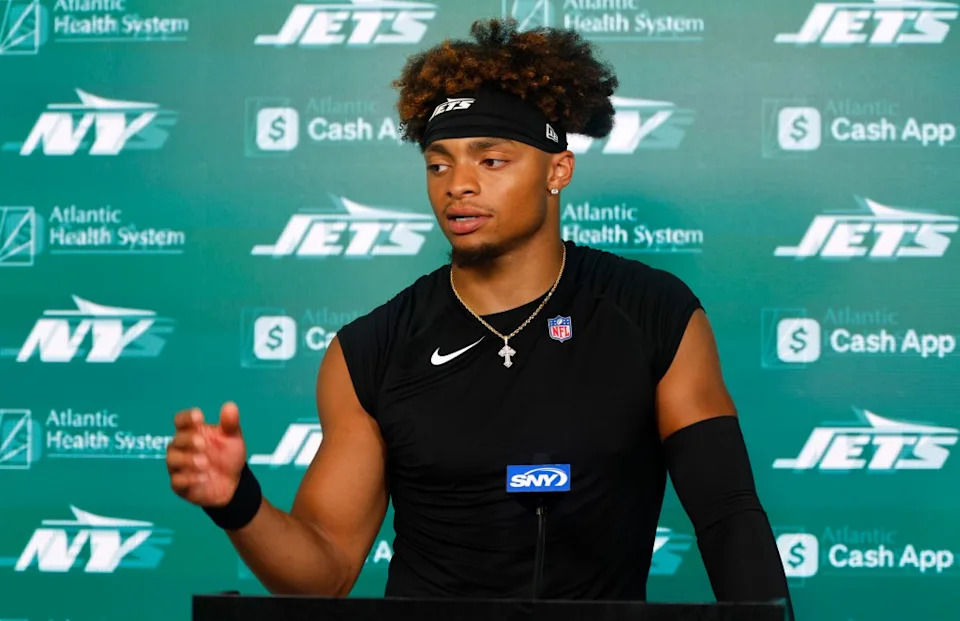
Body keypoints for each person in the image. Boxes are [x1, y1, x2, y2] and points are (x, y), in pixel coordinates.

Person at [166, 17, 793, 615]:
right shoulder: (370, 350)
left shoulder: (653, 313)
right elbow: (324, 571)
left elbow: (727, 514)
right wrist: (238, 502)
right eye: (439, 164)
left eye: (491, 161)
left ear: (558, 170)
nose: (457, 184)